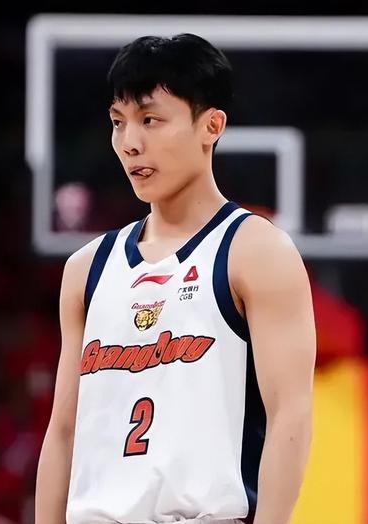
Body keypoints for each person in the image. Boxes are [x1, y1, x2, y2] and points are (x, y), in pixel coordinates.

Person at [35, 33, 316, 524]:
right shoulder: (86, 268)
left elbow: (290, 416)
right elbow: (63, 432)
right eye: (118, 122)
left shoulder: (255, 251)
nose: (130, 142)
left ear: (211, 125)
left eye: (150, 120)